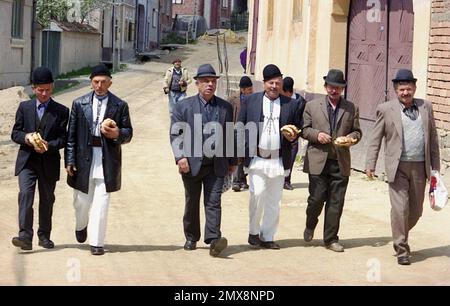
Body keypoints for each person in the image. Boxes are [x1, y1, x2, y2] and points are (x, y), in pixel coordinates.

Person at [365, 69, 440, 265]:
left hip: (419, 167)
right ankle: (401, 248)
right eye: (401, 90)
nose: (405, 93)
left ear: (414, 88)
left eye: (408, 89)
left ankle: (399, 231)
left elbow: (432, 139)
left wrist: (435, 168)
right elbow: (375, 138)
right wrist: (370, 164)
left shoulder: (426, 107)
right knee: (400, 209)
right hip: (396, 167)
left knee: (415, 211)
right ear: (395, 91)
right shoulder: (385, 109)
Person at [65, 64, 133, 256]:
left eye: (104, 82)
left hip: (107, 159)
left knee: (101, 203)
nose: (100, 85)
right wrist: (70, 160)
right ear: (91, 83)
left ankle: (97, 242)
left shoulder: (120, 105)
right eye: (96, 82)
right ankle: (81, 224)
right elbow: (71, 135)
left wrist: (117, 133)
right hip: (83, 158)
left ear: (110, 82)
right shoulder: (79, 104)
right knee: (81, 202)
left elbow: (128, 133)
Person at [170, 64, 237, 257]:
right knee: (192, 201)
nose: (210, 84)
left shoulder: (225, 107)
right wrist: (180, 157)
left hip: (216, 165)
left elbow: (230, 136)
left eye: (213, 81)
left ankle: (214, 239)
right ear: (197, 84)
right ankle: (191, 236)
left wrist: (233, 161)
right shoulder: (184, 106)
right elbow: (176, 134)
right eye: (206, 81)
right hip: (191, 164)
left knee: (213, 201)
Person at [237, 64, 301, 249]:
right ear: (264, 83)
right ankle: (253, 232)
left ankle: (267, 236)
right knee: (257, 195)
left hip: (279, 160)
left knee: (274, 201)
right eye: (271, 83)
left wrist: (294, 134)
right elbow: (240, 125)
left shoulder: (291, 104)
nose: (274, 86)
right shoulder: (251, 101)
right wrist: (239, 154)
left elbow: (297, 128)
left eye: (278, 83)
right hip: (257, 159)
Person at [301, 69, 362, 252]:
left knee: (336, 202)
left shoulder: (351, 108)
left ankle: (331, 239)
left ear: (342, 89)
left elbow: (357, 132)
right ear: (325, 86)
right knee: (316, 199)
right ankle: (310, 223)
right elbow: (304, 130)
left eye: (338, 88)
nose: (334, 91)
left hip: (340, 161)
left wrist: (350, 138)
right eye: (331, 87)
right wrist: (317, 134)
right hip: (318, 161)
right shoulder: (312, 106)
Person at [11, 67, 69, 250]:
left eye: (48, 89)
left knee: (47, 199)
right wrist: (27, 138)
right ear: (33, 88)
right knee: (26, 195)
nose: (44, 94)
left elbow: (63, 138)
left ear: (52, 87)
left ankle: (44, 236)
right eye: (40, 90)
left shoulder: (61, 111)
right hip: (27, 161)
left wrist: (49, 146)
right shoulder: (24, 107)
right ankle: (25, 236)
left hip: (49, 161)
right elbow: (15, 133)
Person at [229, 76, 254, 192]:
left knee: (246, 156)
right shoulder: (233, 98)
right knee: (238, 156)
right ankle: (236, 181)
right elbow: (228, 114)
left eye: (251, 88)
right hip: (237, 130)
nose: (251, 90)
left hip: (250, 130)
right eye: (249, 89)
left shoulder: (254, 98)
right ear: (243, 90)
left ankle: (243, 180)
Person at [281, 77, 306, 191]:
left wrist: (298, 131)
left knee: (290, 158)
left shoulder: (300, 102)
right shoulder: (281, 101)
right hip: (282, 133)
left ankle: (287, 180)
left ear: (288, 91)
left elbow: (304, 119)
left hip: (294, 135)